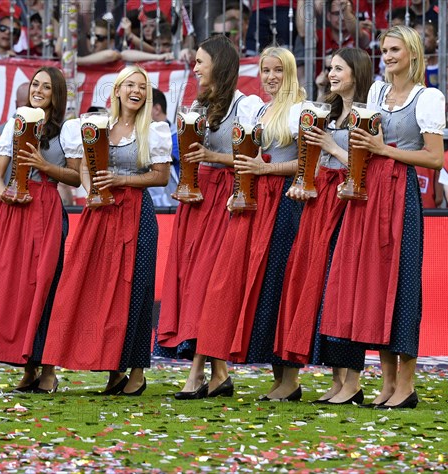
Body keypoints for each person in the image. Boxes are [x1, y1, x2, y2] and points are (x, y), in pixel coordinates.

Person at [320, 25, 445, 409]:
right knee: (373, 284)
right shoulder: (376, 91)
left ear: (411, 52)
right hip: (368, 190)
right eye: (384, 49)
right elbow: (364, 145)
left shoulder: (429, 97)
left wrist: (383, 149)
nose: (387, 55)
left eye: (394, 49)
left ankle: (406, 385)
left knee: (402, 283)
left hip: (399, 190)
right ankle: (387, 384)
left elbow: (434, 158)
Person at [42, 65, 172, 396]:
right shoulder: (98, 127)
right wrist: (92, 192)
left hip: (137, 214)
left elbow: (159, 176)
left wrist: (121, 180)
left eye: (142, 87)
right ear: (116, 91)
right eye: (130, 84)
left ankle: (138, 371)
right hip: (101, 214)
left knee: (136, 291)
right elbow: (84, 166)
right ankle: (112, 370)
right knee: (98, 290)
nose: (137, 91)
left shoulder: (152, 130)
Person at [0, 67, 81, 393]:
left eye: (46, 87)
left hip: (46, 210)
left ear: (57, 94)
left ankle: (47, 370)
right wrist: (3, 192)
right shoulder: (15, 124)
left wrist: (45, 167)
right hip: (12, 211)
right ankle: (18, 366)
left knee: (44, 286)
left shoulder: (66, 130)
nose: (38, 90)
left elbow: (76, 177)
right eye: (36, 84)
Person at [185, 46, 303, 400]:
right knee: (265, 286)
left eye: (278, 70)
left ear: (291, 72)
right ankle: (279, 377)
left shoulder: (299, 110)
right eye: (266, 70)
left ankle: (291, 379)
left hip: (285, 201)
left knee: (281, 284)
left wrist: (264, 169)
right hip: (260, 201)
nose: (270, 77)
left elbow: (308, 163)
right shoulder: (264, 109)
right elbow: (247, 159)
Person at [154, 35, 263, 398]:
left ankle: (196, 374)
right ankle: (220, 375)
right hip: (196, 200)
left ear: (218, 64)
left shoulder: (247, 106)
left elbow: (256, 160)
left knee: (207, 286)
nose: (196, 67)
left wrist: (213, 159)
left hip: (226, 200)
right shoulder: (198, 107)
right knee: (192, 285)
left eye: (201, 61)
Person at [274, 48, 373, 404]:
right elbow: (313, 161)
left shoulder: (366, 114)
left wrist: (330, 144)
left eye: (339, 69)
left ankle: (353, 381)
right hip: (320, 199)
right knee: (321, 288)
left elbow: (366, 166)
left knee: (343, 287)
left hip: (348, 201)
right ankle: (337, 380)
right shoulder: (326, 110)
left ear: (356, 73)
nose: (331, 74)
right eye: (330, 68)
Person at [147, 87, 179, 208]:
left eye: (144, 107)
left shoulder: (177, 135)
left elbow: (163, 159)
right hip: (151, 206)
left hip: (171, 206)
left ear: (157, 109)